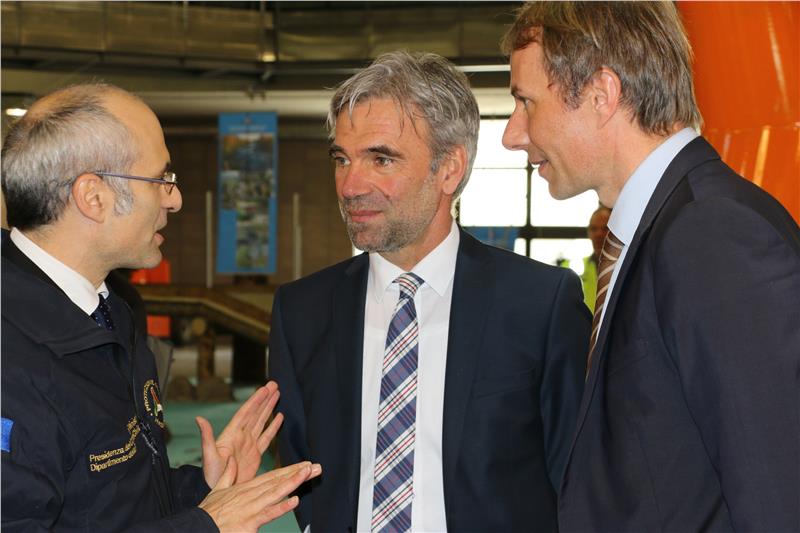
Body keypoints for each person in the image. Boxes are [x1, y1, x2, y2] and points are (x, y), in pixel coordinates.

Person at [502, 2, 800, 531]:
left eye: (526, 102)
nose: (512, 133)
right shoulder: (663, 228)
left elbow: (777, 494)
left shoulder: (711, 233)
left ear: (601, 94)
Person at [268, 50, 590, 533]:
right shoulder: (301, 312)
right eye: (342, 159)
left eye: (380, 159)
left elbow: (578, 479)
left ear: (449, 169)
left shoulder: (539, 305)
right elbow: (302, 470)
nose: (350, 185)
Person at [0, 82, 321, 532]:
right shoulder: (11, 358)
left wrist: (205, 487)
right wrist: (206, 526)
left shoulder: (116, 309)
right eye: (160, 180)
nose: (175, 198)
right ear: (93, 197)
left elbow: (109, 499)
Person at [580, 205, 611, 311]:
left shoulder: (627, 269)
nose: (599, 234)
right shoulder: (576, 268)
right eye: (594, 229)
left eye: (605, 228)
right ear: (588, 233)